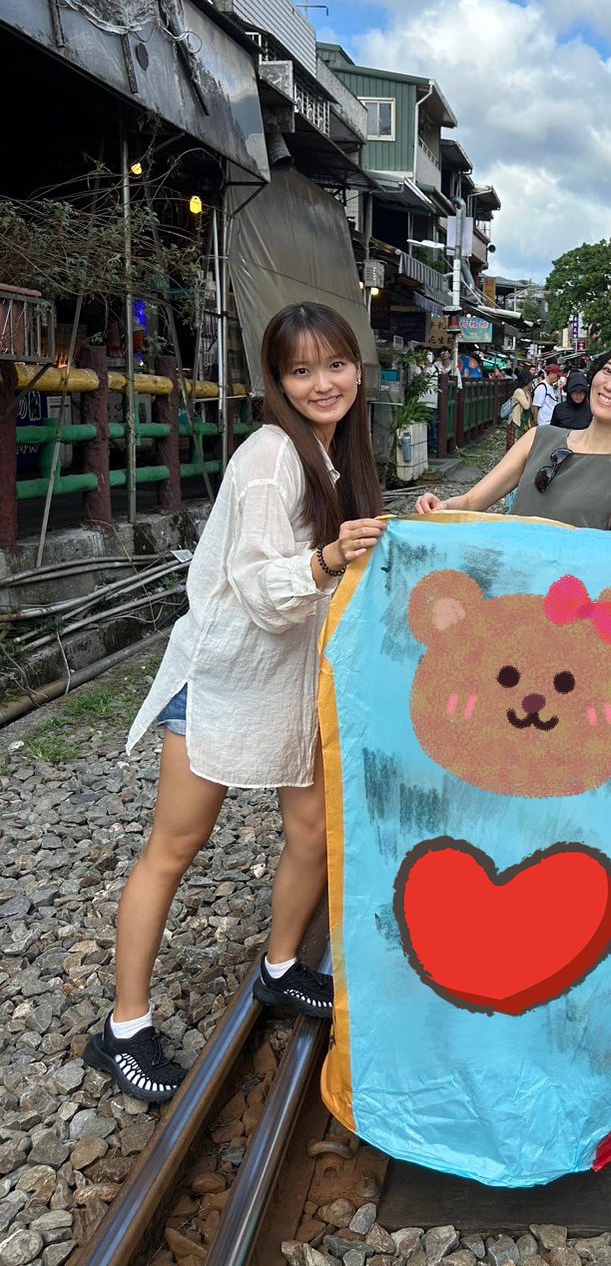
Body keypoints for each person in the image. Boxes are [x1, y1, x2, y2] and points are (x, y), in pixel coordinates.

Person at [83, 303, 387, 1102]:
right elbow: (257, 587)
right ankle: (121, 1029)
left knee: (312, 830)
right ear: (277, 381)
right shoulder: (269, 456)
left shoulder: (331, 452)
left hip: (287, 681)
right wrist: (327, 558)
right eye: (301, 370)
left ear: (357, 369)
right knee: (174, 846)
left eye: (335, 365)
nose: (322, 383)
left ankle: (281, 966)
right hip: (219, 681)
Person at [415, 341, 611, 533]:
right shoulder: (538, 438)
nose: (610, 385)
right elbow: (472, 501)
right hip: (504, 584)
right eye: (608, 370)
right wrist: (442, 506)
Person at [505, 379, 533, 451]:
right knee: (514, 443)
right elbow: (526, 406)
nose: (532, 384)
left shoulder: (525, 392)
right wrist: (529, 397)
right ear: (527, 383)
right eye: (531, 382)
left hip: (522, 422)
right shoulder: (519, 391)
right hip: (516, 421)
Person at [532, 363, 562, 428]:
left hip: (550, 422)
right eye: (557, 376)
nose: (558, 378)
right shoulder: (542, 387)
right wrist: (536, 422)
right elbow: (535, 406)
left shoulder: (551, 386)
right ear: (551, 374)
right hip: (543, 423)